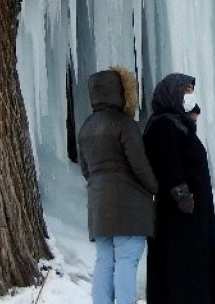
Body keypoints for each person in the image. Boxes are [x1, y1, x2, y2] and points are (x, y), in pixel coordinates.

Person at [143, 73, 215, 303]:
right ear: (173, 93)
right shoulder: (163, 124)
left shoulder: (177, 123)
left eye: (191, 90)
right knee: (182, 258)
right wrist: (181, 193)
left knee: (194, 256)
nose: (190, 95)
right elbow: (167, 162)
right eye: (186, 90)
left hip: (191, 207)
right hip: (178, 209)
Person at [77, 66, 158, 304]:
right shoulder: (124, 124)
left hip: (98, 204)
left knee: (104, 260)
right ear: (121, 91)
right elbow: (139, 164)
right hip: (128, 205)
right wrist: (156, 187)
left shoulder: (86, 126)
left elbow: (85, 170)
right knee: (127, 259)